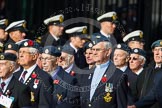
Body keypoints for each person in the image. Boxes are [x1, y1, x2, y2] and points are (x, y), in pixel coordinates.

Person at [80, 35, 128, 108]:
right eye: (93, 49)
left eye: (98, 50)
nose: (94, 53)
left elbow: (121, 104)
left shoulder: (118, 75)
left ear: (108, 52)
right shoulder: (85, 73)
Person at [13, 39, 54, 108]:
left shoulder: (44, 77)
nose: (20, 55)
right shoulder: (15, 75)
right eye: (20, 52)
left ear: (34, 56)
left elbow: (44, 105)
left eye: (24, 52)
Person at [135, 40, 162, 108]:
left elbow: (154, 94)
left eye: (160, 50)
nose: (157, 53)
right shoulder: (147, 71)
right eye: (155, 50)